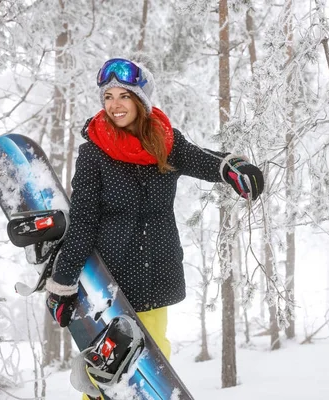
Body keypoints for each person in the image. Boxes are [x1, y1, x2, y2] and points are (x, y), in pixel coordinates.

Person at [44, 57, 264, 397]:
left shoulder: (165, 142)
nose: (115, 105)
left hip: (155, 274)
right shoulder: (94, 153)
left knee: (152, 363)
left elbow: (203, 160)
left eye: (123, 96)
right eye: (108, 97)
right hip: (110, 283)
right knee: (106, 368)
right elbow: (84, 220)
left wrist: (232, 169)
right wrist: (64, 282)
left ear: (141, 100)